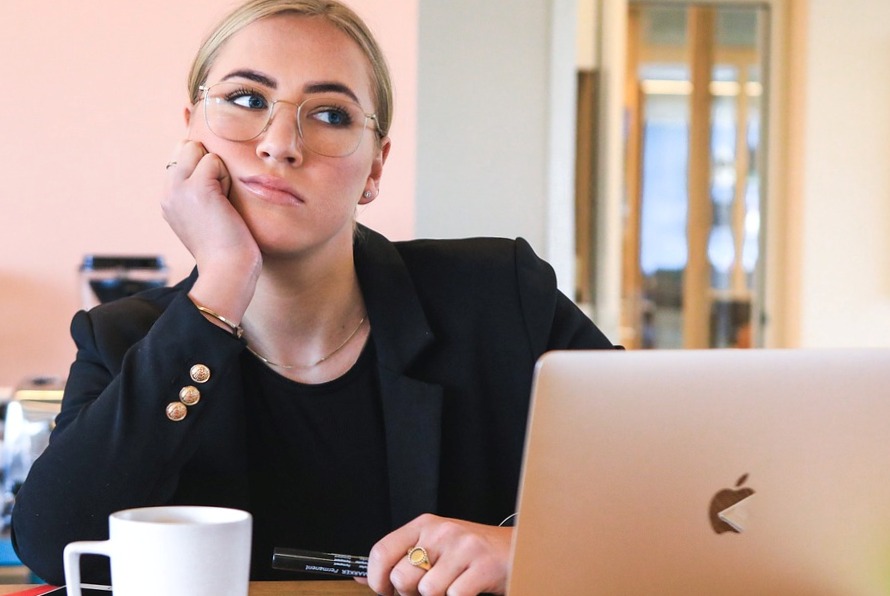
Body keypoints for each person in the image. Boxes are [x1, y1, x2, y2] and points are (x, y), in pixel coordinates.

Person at [10, 1, 616, 594]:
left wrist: (530, 548)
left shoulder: (499, 297)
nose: (280, 144)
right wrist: (221, 281)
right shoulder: (122, 338)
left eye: (329, 114)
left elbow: (685, 491)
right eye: (246, 100)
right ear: (190, 132)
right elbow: (56, 546)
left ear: (375, 168)